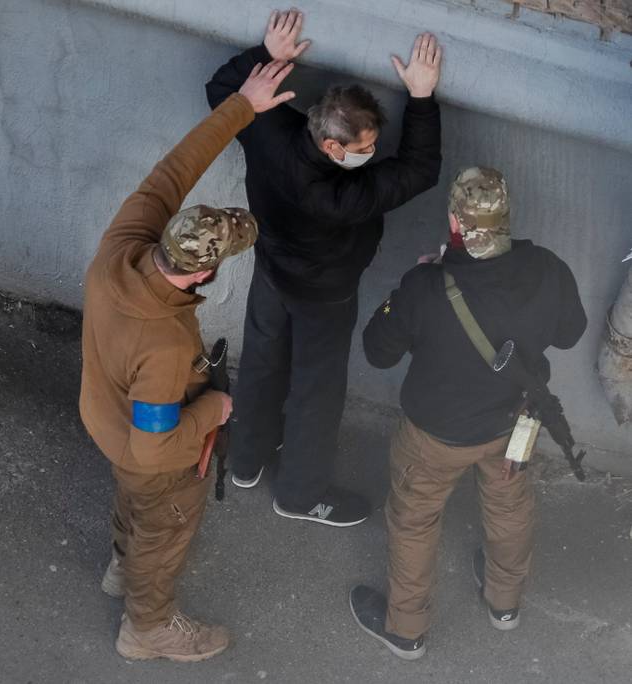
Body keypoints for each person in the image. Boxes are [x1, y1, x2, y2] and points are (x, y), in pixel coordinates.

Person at [80, 61, 297, 662]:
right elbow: (156, 445)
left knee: (135, 502)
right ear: (204, 271)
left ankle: (124, 569)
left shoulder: (122, 249)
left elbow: (170, 172)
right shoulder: (167, 349)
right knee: (166, 522)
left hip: (106, 420)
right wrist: (213, 409)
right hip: (151, 453)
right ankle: (148, 626)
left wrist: (242, 106)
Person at [206, 8, 443, 527]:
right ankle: (298, 494)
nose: (373, 154)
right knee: (316, 390)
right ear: (333, 146)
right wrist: (422, 97)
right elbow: (420, 170)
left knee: (263, 361)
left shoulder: (266, 126)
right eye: (365, 148)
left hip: (270, 271)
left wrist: (266, 55)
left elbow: (221, 90)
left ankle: (245, 459)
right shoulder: (346, 195)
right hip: (326, 296)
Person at [349, 167, 587, 660]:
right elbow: (569, 334)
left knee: (415, 522)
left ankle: (406, 629)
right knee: (509, 506)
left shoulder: (428, 284)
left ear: (455, 223)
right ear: (503, 217)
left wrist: (419, 286)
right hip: (513, 423)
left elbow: (378, 351)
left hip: (434, 436)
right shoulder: (548, 266)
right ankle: (505, 602)